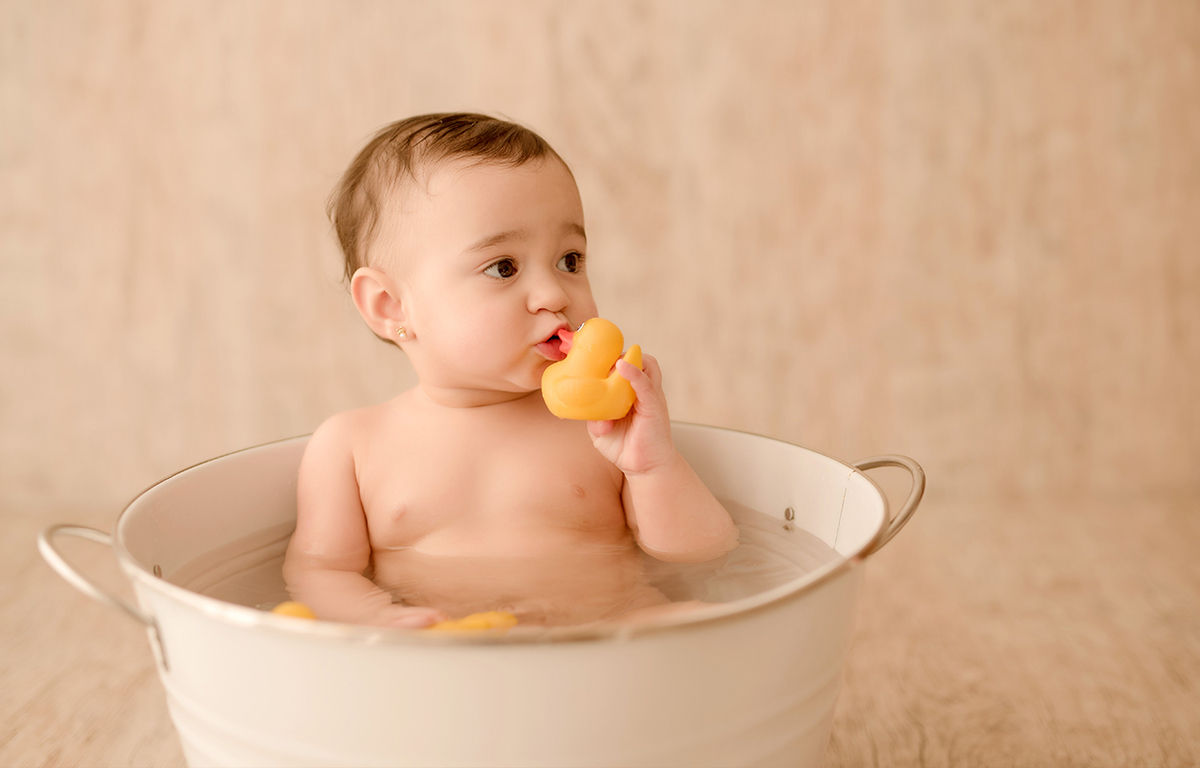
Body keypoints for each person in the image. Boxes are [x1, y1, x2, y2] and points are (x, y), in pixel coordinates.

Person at [282, 113, 739, 628]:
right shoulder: (351, 446)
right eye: (503, 267)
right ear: (391, 306)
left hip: (607, 636)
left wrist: (652, 465)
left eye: (570, 259)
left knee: (702, 620)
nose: (554, 294)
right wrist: (385, 621)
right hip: (442, 659)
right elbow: (319, 573)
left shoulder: (600, 431)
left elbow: (702, 553)